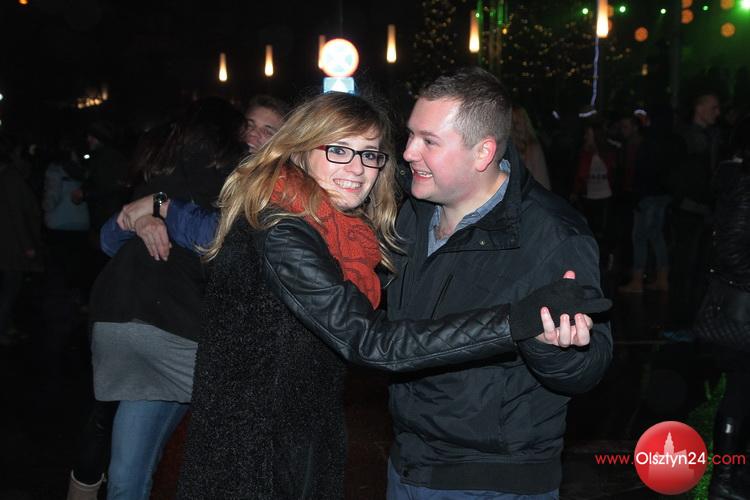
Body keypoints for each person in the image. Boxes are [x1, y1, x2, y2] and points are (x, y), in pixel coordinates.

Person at [135, 89, 611, 499]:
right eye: (338, 150)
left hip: (304, 444)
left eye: (370, 153)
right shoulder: (284, 231)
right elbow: (371, 341)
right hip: (253, 458)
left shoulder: (341, 229)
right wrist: (516, 320)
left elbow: (587, 362)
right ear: (299, 151)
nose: (358, 168)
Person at [80, 98, 247, 500]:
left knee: (128, 474)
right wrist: (147, 213)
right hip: (174, 327)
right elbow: (222, 242)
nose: (255, 137)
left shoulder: (165, 169)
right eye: (250, 129)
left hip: (117, 320)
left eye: (268, 130)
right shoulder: (229, 172)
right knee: (246, 444)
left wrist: (156, 209)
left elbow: (109, 238)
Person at [694, 116, 750, 499]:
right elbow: (731, 251)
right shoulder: (744, 186)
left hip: (739, 307)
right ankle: (726, 478)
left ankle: (731, 475)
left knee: (742, 391)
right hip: (741, 311)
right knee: (741, 390)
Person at [512, 105, 551, 190]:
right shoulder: (509, 148)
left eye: (518, 121)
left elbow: (542, 181)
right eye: (513, 122)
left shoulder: (534, 148)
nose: (516, 126)